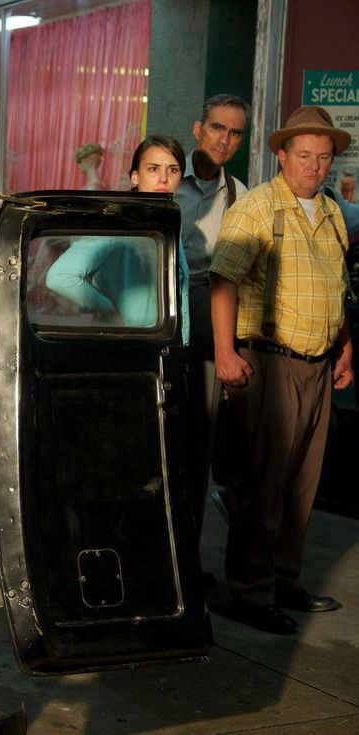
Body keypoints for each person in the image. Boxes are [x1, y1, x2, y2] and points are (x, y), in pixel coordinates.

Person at [210, 106, 354, 635]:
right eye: (303, 156)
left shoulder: (332, 212)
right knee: (262, 483)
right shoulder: (255, 208)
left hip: (318, 366)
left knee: (303, 484)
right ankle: (250, 591)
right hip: (269, 363)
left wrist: (344, 347)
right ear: (281, 155)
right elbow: (223, 282)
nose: (313, 167)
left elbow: (335, 286)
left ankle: (284, 580)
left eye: (322, 158)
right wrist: (226, 353)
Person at [176, 94, 250, 542]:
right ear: (198, 128)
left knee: (198, 439)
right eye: (218, 127)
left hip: (209, 316)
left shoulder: (239, 193)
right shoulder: (164, 174)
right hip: (160, 313)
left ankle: (188, 553)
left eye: (235, 132)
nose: (224, 139)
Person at [47, 135, 189, 340]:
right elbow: (59, 276)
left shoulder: (171, 223)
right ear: (135, 177)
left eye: (173, 170)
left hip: (168, 349)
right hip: (129, 345)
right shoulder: (117, 223)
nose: (164, 178)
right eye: (153, 169)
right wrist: (107, 309)